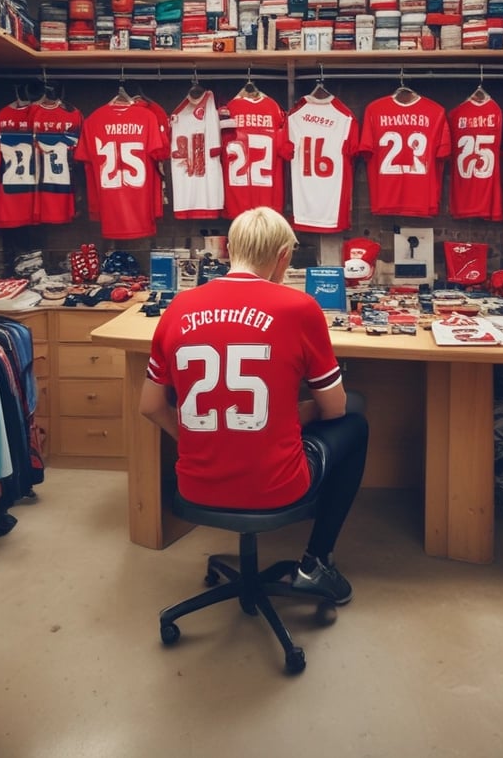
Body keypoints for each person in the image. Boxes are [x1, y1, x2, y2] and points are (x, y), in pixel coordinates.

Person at [139, 206, 369, 604]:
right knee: (356, 415)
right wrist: (295, 416)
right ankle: (315, 563)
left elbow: (149, 405)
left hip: (193, 483)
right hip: (275, 487)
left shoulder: (177, 308)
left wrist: (197, 440)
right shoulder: (298, 308)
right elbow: (333, 410)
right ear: (282, 256)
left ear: (228, 250)